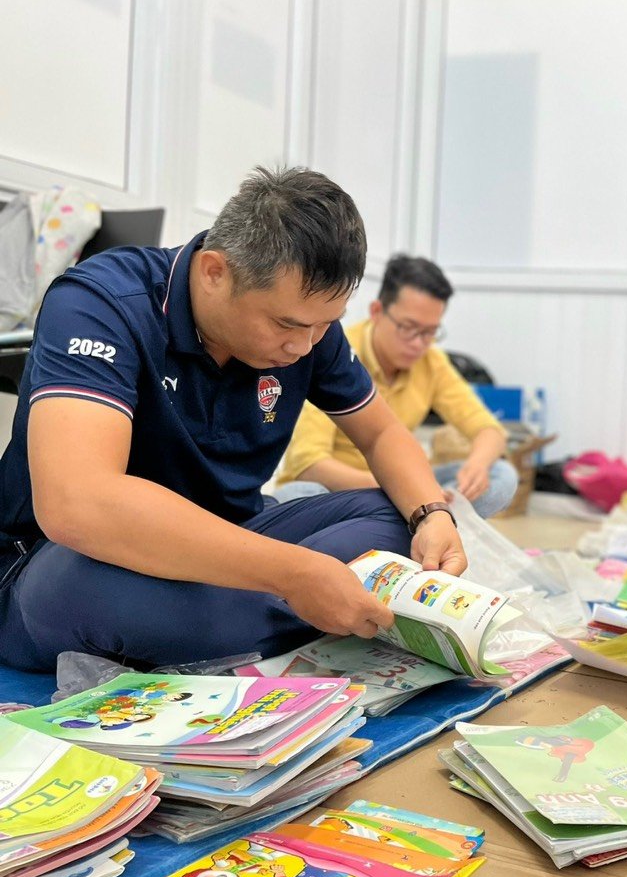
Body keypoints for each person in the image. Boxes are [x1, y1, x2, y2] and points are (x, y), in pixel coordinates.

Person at [0, 166, 466, 673]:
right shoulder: (101, 303)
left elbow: (381, 433)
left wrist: (432, 514)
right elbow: (78, 504)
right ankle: (301, 612)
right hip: (68, 561)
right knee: (73, 585)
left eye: (324, 326)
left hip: (234, 539)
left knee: (395, 514)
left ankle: (245, 623)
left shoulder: (309, 324)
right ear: (214, 272)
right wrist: (293, 573)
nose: (303, 346)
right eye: (285, 324)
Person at [275, 255, 515, 518]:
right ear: (377, 312)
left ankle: (411, 523)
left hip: (397, 485)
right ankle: (410, 523)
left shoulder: (431, 361)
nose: (418, 343)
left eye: (430, 332)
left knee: (500, 475)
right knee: (298, 494)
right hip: (340, 491)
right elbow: (309, 464)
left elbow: (488, 429)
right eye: (408, 328)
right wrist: (401, 489)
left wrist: (477, 467)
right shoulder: (337, 353)